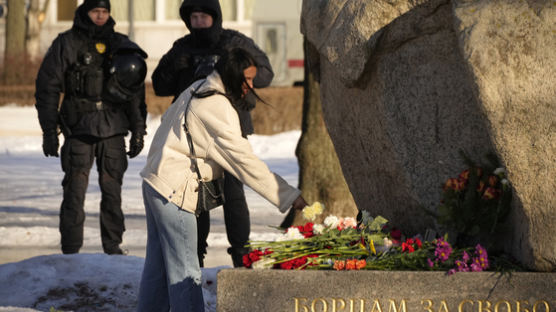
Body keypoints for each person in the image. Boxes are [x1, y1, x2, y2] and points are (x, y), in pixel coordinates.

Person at [137, 48, 307, 311]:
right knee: (185, 270)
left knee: (157, 269)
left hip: (156, 183)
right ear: (231, 75)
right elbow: (245, 163)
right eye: (247, 79)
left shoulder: (199, 87)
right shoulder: (215, 106)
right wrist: (288, 195)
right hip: (173, 191)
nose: (251, 86)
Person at [151, 0, 274, 267]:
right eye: (193, 17)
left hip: (229, 126)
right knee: (196, 193)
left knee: (233, 192)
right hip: (192, 135)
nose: (198, 23)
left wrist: (231, 68)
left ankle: (242, 253)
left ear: (215, 17)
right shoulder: (182, 47)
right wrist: (176, 66)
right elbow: (159, 85)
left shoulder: (235, 42)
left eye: (203, 17)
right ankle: (196, 253)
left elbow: (264, 74)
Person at [34, 0, 148, 255]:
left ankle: (113, 247)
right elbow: (47, 87)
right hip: (78, 128)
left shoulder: (120, 43)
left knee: (112, 191)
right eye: (95, 11)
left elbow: (134, 91)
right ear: (85, 12)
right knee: (74, 190)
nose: (100, 16)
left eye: (105, 11)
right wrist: (49, 131)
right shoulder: (67, 43)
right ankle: (71, 250)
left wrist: (139, 130)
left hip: (113, 127)